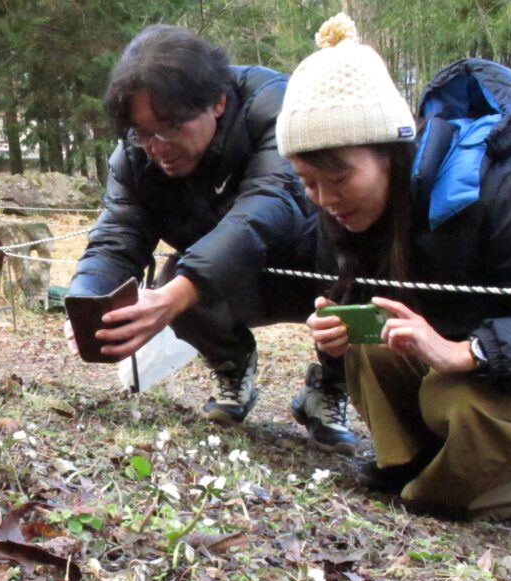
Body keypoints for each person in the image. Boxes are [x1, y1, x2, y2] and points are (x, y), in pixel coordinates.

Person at [276, 14, 511, 520]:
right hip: (479, 368)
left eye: (337, 177)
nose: (325, 199)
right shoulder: (354, 215)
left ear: (390, 153)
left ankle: (477, 488)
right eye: (308, 181)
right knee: (371, 340)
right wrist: (334, 344)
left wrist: (472, 352)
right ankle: (413, 464)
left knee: (459, 398)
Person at [65, 24, 358, 454]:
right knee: (173, 281)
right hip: (225, 282)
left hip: (309, 266)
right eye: (144, 133)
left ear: (218, 101)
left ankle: (331, 386)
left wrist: (179, 293)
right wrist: (85, 301)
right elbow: (116, 237)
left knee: (354, 271)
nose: (157, 147)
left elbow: (270, 205)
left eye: (169, 128)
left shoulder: (276, 107)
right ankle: (231, 363)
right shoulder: (135, 156)